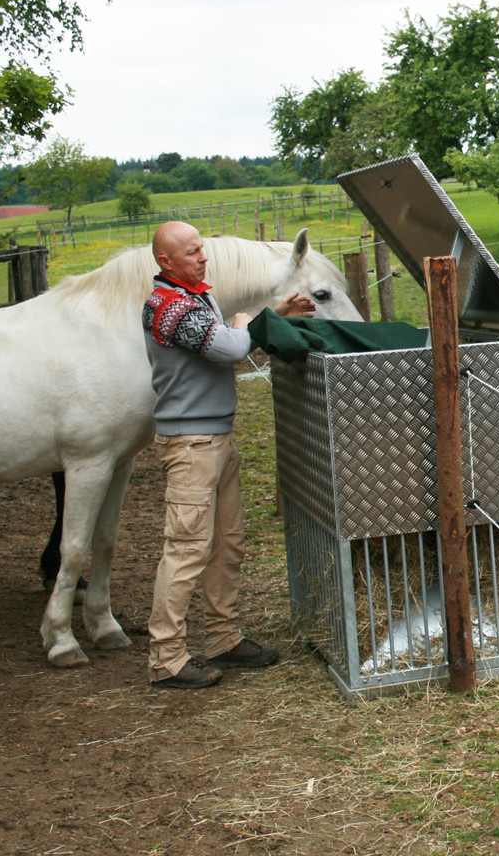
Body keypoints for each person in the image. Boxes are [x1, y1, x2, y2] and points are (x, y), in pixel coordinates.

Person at [142, 221, 315, 689]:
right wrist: (250, 324)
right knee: (185, 550)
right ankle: (167, 658)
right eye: (193, 251)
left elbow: (231, 337)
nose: (203, 257)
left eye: (203, 249)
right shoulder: (170, 306)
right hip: (192, 446)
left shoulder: (196, 297)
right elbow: (232, 348)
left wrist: (273, 313)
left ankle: (222, 637)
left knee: (226, 542)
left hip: (215, 439)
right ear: (166, 261)